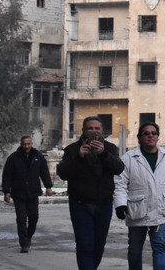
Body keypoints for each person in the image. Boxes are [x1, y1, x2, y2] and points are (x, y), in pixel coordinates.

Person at [57, 115, 124, 270]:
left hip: (104, 203)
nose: (93, 131)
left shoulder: (110, 148)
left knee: (98, 245)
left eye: (97, 129)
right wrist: (79, 157)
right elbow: (64, 173)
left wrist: (103, 153)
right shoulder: (72, 149)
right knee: (84, 245)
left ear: (101, 131)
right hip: (80, 204)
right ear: (84, 131)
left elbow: (119, 168)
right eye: (90, 128)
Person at [114, 122, 165, 270]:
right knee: (134, 250)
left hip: (161, 211)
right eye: (146, 133)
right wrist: (120, 205)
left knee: (160, 247)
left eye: (154, 133)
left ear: (158, 137)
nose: (150, 136)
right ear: (139, 137)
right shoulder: (128, 158)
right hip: (137, 210)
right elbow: (120, 184)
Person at [2, 135, 55, 253]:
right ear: (21, 145)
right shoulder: (13, 158)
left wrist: (48, 187)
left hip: (33, 192)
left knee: (34, 217)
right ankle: (24, 243)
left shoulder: (38, 156)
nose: (26, 146)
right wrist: (6, 191)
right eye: (24, 144)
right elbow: (7, 175)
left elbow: (44, 172)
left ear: (31, 144)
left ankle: (28, 236)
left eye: (28, 144)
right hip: (18, 193)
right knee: (21, 219)